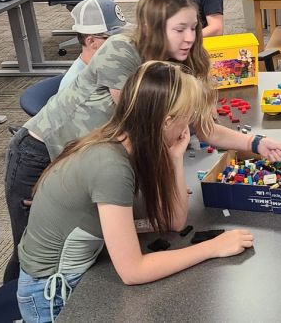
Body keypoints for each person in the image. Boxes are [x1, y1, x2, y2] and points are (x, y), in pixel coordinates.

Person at [4, 0, 281, 282]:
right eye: (180, 29)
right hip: (43, 152)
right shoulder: (123, 52)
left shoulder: (179, 60)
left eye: (194, 27)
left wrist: (255, 142)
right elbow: (143, 128)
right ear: (155, 28)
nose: (190, 38)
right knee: (35, 258)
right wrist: (169, 182)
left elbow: (199, 128)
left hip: (93, 161)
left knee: (86, 249)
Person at [17, 61, 255, 322]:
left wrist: (175, 157)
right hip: (53, 294)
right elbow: (133, 271)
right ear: (166, 122)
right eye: (187, 120)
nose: (188, 129)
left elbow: (173, 221)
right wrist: (213, 247)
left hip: (83, 269)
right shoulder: (111, 165)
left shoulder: (130, 139)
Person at [59, 0, 129, 90]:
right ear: (91, 41)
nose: (121, 40)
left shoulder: (107, 65)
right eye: (114, 37)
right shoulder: (77, 86)